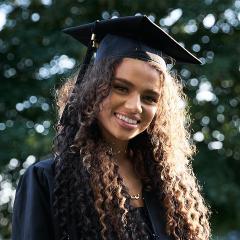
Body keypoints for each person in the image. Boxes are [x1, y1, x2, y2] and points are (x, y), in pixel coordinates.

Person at [12, 15, 211, 240]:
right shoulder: (48, 180)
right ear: (93, 89)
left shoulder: (168, 187)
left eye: (149, 98)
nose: (135, 107)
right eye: (121, 88)